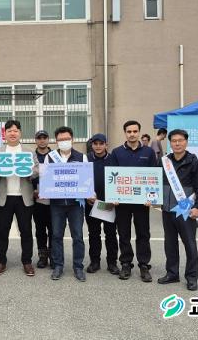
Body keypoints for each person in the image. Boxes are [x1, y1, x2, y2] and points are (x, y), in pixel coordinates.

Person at [107, 120, 158, 282]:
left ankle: (144, 265)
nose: (132, 134)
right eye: (129, 131)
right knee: (124, 234)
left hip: (142, 202)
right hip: (122, 202)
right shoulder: (117, 152)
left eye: (135, 131)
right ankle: (126, 263)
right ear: (125, 133)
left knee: (143, 233)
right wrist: (113, 196)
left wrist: (151, 198)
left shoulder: (149, 152)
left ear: (139, 132)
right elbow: (112, 176)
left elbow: (154, 176)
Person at [0, 120, 38, 277]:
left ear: (20, 133)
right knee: (2, 231)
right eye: (9, 131)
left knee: (26, 231)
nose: (12, 133)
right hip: (4, 197)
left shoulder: (29, 152)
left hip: (24, 197)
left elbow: (37, 169)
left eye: (15, 130)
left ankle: (27, 262)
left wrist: (29, 173)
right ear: (5, 134)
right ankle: (1, 261)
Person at [158, 129, 198, 291]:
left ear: (186, 142)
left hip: (185, 209)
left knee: (190, 244)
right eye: (174, 141)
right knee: (170, 244)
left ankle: (191, 277)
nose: (177, 143)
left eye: (180, 140)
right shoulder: (164, 162)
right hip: (167, 209)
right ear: (170, 143)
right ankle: (172, 273)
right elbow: (156, 182)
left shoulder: (195, 163)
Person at [46, 126, 88, 282]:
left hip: (76, 204)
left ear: (72, 140)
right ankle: (58, 266)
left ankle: (78, 267)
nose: (64, 142)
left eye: (67, 139)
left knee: (78, 236)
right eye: (61, 139)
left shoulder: (81, 157)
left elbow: (86, 179)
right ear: (56, 141)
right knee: (56, 235)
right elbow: (46, 179)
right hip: (57, 204)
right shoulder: (50, 157)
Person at [85, 133, 120, 275]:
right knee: (93, 234)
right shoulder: (86, 159)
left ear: (106, 145)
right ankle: (95, 262)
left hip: (109, 204)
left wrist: (117, 197)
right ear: (92, 145)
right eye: (95, 144)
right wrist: (86, 195)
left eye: (101, 144)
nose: (98, 146)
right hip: (91, 203)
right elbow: (81, 179)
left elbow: (120, 178)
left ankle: (112, 263)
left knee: (111, 234)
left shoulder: (113, 159)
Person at [32, 130, 53, 269]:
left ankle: (53, 255)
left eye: (44, 137)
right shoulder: (31, 156)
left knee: (54, 229)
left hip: (53, 199)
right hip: (37, 198)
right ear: (36, 140)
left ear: (48, 139)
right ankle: (42, 256)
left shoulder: (55, 156)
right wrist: (33, 190)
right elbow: (27, 174)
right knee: (40, 229)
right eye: (39, 138)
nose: (42, 140)